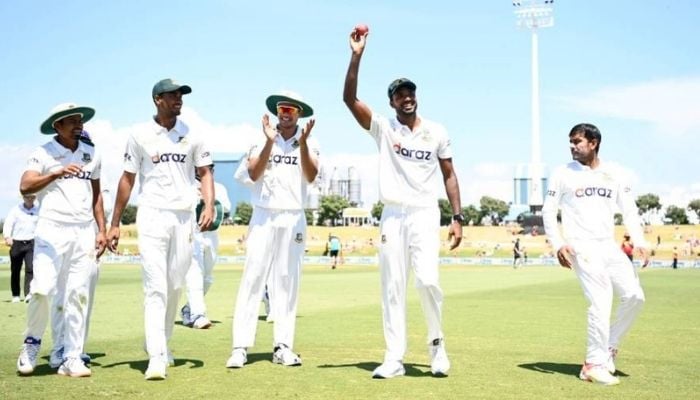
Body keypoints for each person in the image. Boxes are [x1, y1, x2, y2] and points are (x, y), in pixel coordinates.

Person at [343, 27, 463, 379]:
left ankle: (437, 348)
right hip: (393, 215)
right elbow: (349, 100)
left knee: (427, 281)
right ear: (392, 102)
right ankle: (394, 357)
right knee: (392, 286)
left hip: (426, 214)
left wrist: (457, 217)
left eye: (410, 93)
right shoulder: (383, 129)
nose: (406, 98)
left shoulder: (437, 131)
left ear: (416, 97)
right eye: (400, 95)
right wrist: (356, 56)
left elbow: (450, 174)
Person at [107, 79, 214, 380]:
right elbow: (127, 179)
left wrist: (208, 205)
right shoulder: (139, 134)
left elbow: (205, 172)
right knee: (155, 287)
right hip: (152, 215)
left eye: (181, 95)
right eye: (172, 95)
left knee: (175, 286)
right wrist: (114, 223)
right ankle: (157, 355)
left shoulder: (193, 134)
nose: (178, 99)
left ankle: (161, 343)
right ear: (157, 99)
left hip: (183, 217)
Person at [542, 123, 649, 386]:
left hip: (607, 245)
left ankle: (609, 348)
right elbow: (548, 210)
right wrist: (558, 242)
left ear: (594, 143)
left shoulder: (614, 173)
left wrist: (639, 241)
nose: (572, 146)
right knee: (601, 299)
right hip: (580, 245)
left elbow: (629, 210)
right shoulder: (562, 173)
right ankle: (593, 364)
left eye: (577, 141)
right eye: (570, 142)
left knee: (635, 296)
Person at [225, 91, 319, 369]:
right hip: (264, 215)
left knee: (287, 282)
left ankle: (283, 346)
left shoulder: (310, 142)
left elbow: (311, 176)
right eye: (281, 108)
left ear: (299, 113)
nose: (285, 113)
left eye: (291, 109)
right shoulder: (260, 138)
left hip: (292, 216)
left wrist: (302, 144)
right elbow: (252, 174)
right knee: (253, 278)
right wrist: (269, 141)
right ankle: (240, 347)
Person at [16, 103, 107, 377]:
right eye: (72, 121)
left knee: (78, 294)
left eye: (80, 120)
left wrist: (101, 229)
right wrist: (54, 173)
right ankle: (31, 343)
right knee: (42, 289)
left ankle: (71, 356)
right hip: (51, 230)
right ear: (57, 125)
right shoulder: (42, 153)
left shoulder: (91, 152)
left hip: (82, 231)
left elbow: (97, 194)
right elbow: (25, 186)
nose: (79, 124)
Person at [181, 170, 232, 329]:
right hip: (192, 234)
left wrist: (209, 199)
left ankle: (188, 309)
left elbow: (227, 210)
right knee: (194, 272)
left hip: (212, 235)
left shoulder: (219, 188)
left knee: (208, 278)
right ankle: (198, 314)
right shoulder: (186, 185)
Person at [3, 194, 39, 303]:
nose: (30, 199)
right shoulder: (16, 210)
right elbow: (8, 224)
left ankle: (28, 293)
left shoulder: (38, 210)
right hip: (17, 242)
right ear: (23, 197)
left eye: (32, 197)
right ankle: (15, 295)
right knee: (15, 270)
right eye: (27, 197)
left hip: (31, 242)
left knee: (30, 268)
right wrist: (7, 236)